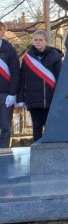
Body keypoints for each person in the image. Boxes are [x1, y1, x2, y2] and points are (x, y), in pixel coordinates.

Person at [16, 30, 64, 143]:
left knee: (50, 127)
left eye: (40, 40)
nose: (38, 42)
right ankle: (37, 152)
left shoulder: (55, 58)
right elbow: (22, 79)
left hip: (51, 98)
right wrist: (20, 99)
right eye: (35, 40)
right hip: (33, 99)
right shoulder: (27, 59)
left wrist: (60, 98)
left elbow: (59, 79)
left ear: (46, 41)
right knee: (36, 127)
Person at [0, 21, 20, 149]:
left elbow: (15, 73)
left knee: (6, 126)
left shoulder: (10, 50)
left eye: (1, 29)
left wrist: (12, 94)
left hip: (5, 94)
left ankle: (4, 152)